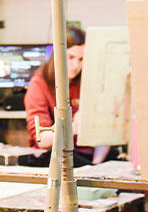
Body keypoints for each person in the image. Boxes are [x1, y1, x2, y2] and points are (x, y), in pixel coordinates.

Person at [24, 25, 117, 167]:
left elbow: (106, 133)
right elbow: (42, 140)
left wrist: (95, 165)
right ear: (57, 54)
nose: (76, 65)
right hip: (56, 156)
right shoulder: (39, 85)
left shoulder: (89, 80)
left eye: (81, 59)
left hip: (92, 157)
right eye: (71, 57)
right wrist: (76, 127)